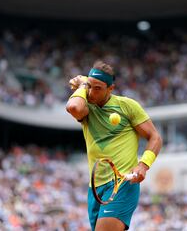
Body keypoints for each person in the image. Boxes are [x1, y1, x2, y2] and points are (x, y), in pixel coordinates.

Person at [66, 60, 162, 231]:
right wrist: (83, 85)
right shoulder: (86, 104)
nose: (92, 92)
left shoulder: (127, 106)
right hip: (95, 188)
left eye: (98, 88)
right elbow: (73, 107)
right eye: (90, 86)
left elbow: (155, 137)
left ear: (110, 89)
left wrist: (143, 165)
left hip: (122, 182)